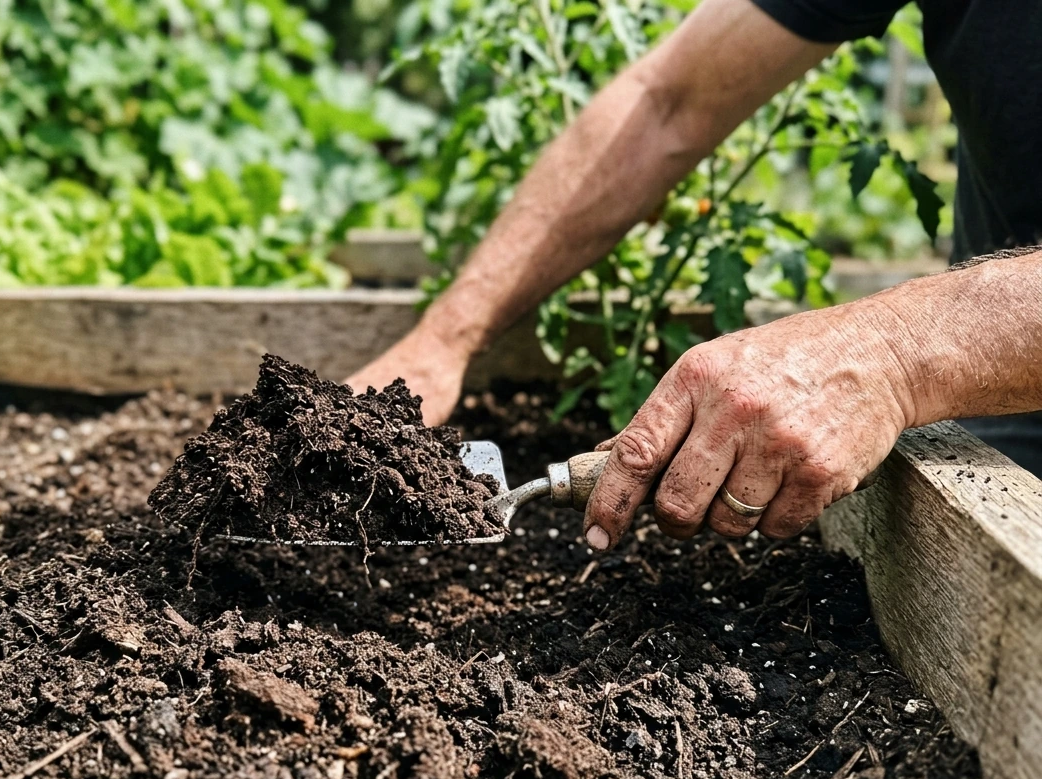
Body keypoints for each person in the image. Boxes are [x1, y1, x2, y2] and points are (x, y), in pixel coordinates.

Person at [347, 0, 1042, 551]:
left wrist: (892, 354)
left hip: (960, 369)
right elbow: (667, 102)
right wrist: (443, 340)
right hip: (984, 407)